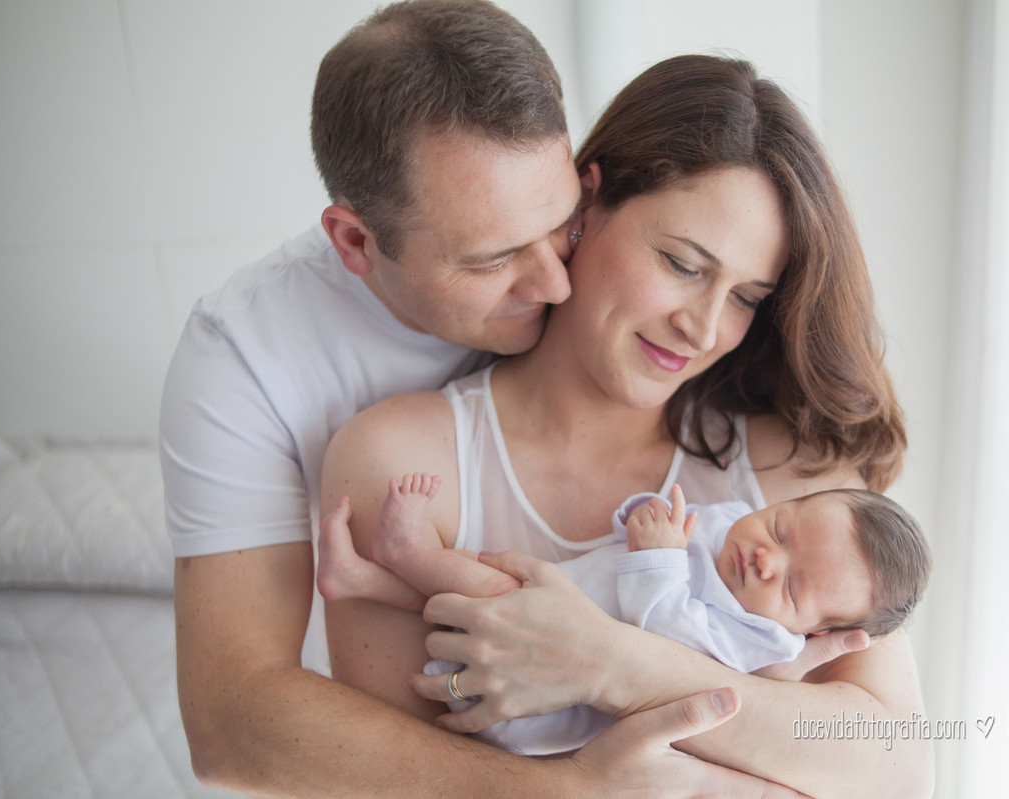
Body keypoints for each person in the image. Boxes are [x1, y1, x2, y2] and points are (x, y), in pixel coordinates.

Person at [160, 2, 802, 796]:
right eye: (494, 259)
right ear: (356, 242)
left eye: (563, 225)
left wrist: (617, 664)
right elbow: (230, 717)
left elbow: (892, 752)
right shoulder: (248, 358)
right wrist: (570, 788)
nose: (557, 283)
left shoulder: (732, 419)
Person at [321, 53, 934, 797]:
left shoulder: (794, 476)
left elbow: (899, 772)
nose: (703, 328)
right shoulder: (407, 458)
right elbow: (383, 779)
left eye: (746, 297)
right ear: (587, 202)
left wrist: (610, 663)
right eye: (682, 264)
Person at [318, 474, 932, 756]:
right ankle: (361, 580)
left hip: (534, 699)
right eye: (782, 529)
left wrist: (659, 557)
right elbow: (645, 532)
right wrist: (647, 518)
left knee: (494, 586)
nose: (767, 559)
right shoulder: (735, 525)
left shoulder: (760, 640)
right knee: (479, 586)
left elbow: (662, 644)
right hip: (539, 612)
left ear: (812, 631)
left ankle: (407, 552)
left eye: (793, 586)